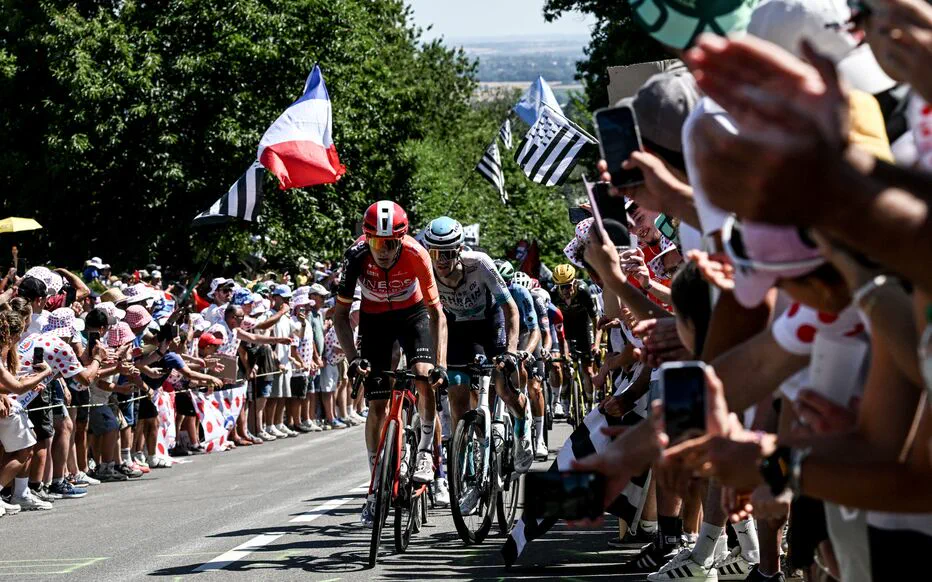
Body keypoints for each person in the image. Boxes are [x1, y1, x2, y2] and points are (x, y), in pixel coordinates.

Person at [331, 201, 448, 527]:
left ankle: (425, 453)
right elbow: (340, 315)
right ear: (366, 238)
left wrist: (440, 364)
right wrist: (353, 359)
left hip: (413, 316)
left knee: (424, 375)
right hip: (375, 320)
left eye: (391, 243)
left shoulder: (417, 254)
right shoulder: (355, 256)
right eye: (376, 242)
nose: (383, 251)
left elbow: (437, 314)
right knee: (377, 404)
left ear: (402, 239)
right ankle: (376, 487)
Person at [550, 264, 600, 415]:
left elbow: (596, 319)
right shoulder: (553, 294)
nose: (566, 290)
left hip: (584, 327)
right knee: (563, 365)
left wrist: (596, 344)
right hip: (564, 328)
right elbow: (551, 322)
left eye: (569, 286)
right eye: (562, 287)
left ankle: (590, 402)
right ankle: (564, 398)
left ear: (575, 282)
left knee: (588, 369)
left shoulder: (583, 290)